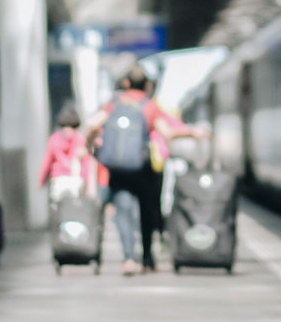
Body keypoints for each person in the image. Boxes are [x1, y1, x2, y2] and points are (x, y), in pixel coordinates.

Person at [88, 66, 208, 275]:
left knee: (123, 212)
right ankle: (147, 258)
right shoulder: (149, 106)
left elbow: (91, 124)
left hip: (118, 170)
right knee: (146, 212)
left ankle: (128, 258)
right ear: (146, 86)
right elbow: (167, 132)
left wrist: (90, 146)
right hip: (142, 168)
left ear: (125, 84)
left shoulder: (113, 104)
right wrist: (191, 133)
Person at [38, 102, 104, 202]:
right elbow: (86, 162)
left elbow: (47, 162)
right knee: (74, 211)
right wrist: (85, 181)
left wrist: (42, 181)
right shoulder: (80, 139)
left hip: (58, 179)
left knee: (57, 210)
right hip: (76, 180)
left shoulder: (54, 139)